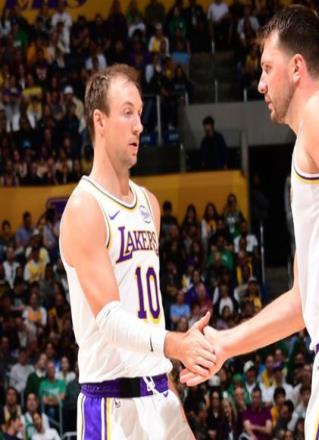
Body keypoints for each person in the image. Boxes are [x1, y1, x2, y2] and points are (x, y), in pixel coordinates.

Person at [181, 6, 319, 439]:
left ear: (297, 67)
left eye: (268, 68)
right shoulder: (310, 144)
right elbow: (303, 302)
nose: (261, 83)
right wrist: (225, 343)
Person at [59, 64, 215, 438]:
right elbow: (111, 320)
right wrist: (176, 343)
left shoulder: (149, 204)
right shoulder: (85, 207)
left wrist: (171, 396)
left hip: (158, 393)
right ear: (99, 120)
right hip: (111, 404)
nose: (139, 126)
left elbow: (150, 314)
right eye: (127, 112)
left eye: (140, 114)